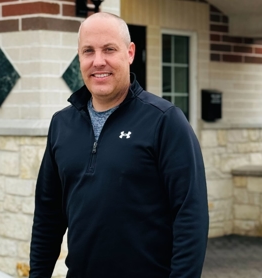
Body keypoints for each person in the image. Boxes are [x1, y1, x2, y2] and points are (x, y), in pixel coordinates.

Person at [29, 12, 209, 278]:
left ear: (130, 53)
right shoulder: (61, 125)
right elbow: (48, 216)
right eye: (88, 51)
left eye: (109, 49)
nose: (98, 61)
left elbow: (190, 216)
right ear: (79, 57)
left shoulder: (164, 121)